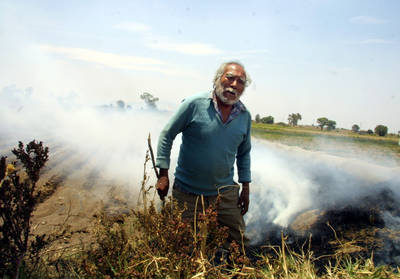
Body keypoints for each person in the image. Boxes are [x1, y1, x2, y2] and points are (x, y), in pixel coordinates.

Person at [155, 61, 252, 248]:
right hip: (187, 193)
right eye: (229, 78)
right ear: (217, 79)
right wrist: (163, 174)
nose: (234, 85)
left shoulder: (244, 116)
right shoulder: (194, 104)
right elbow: (167, 135)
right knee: (183, 245)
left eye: (240, 82)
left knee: (238, 242)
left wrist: (246, 187)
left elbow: (244, 153)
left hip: (224, 194)